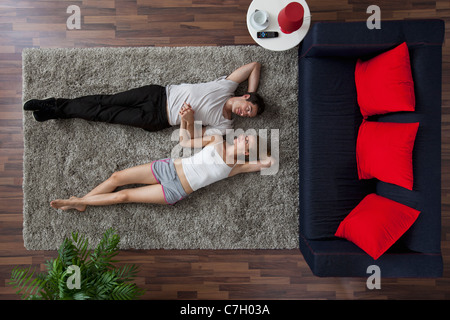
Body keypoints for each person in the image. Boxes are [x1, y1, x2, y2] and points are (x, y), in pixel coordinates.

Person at [50, 103, 275, 211]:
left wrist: (261, 148)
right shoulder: (217, 140)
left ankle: (78, 201)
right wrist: (187, 119)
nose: (241, 138)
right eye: (244, 136)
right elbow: (185, 142)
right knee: (116, 177)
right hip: (167, 168)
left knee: (124, 196)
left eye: (247, 141)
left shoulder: (236, 168)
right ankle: (79, 204)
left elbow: (270, 162)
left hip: (174, 190)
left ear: (247, 152)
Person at [24, 62, 265, 136]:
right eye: (248, 108)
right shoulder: (227, 86)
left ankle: (55, 109)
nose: (245, 113)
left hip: (156, 118)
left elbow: (190, 139)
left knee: (104, 113)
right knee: (105, 100)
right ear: (245, 97)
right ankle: (55, 105)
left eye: (248, 115)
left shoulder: (225, 125)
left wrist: (188, 120)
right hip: (157, 93)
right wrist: (254, 93)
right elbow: (254, 66)